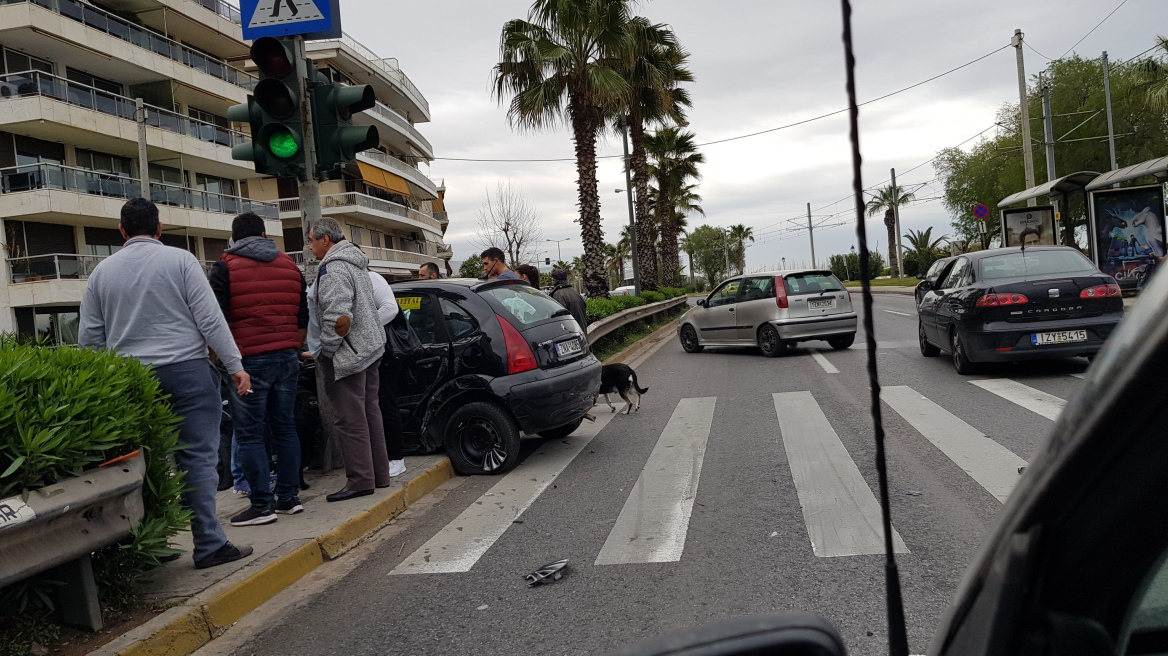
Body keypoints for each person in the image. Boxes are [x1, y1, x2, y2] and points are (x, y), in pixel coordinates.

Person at [78, 198, 253, 570]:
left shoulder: (101, 273)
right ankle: (209, 544)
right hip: (188, 371)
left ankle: (153, 546)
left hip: (131, 380)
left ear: (122, 231)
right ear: (159, 228)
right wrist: (235, 364)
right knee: (198, 459)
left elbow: (90, 339)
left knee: (145, 463)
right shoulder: (182, 261)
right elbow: (210, 318)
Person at [209, 212, 308, 526]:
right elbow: (302, 317)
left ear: (235, 238)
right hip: (286, 358)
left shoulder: (225, 266)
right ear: (265, 234)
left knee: (250, 434)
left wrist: (219, 359)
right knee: (285, 427)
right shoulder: (289, 266)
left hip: (247, 362)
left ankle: (262, 505)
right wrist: (292, 346)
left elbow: (217, 319)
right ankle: (290, 498)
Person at [308, 218, 391, 502]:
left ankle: (360, 480)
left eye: (311, 240)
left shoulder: (333, 269)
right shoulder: (357, 264)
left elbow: (337, 317)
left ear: (325, 240)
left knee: (350, 419)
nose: (309, 247)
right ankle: (378, 474)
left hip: (348, 354)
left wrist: (327, 351)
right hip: (370, 347)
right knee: (370, 413)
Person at [368, 271, 407, 478]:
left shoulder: (373, 278)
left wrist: (366, 328)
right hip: (375, 352)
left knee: (385, 403)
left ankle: (396, 458)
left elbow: (391, 309)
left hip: (388, 354)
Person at [549, 269, 589, 334]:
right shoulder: (574, 292)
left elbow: (560, 317)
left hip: (571, 334)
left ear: (554, 281)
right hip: (581, 332)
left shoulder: (558, 295)